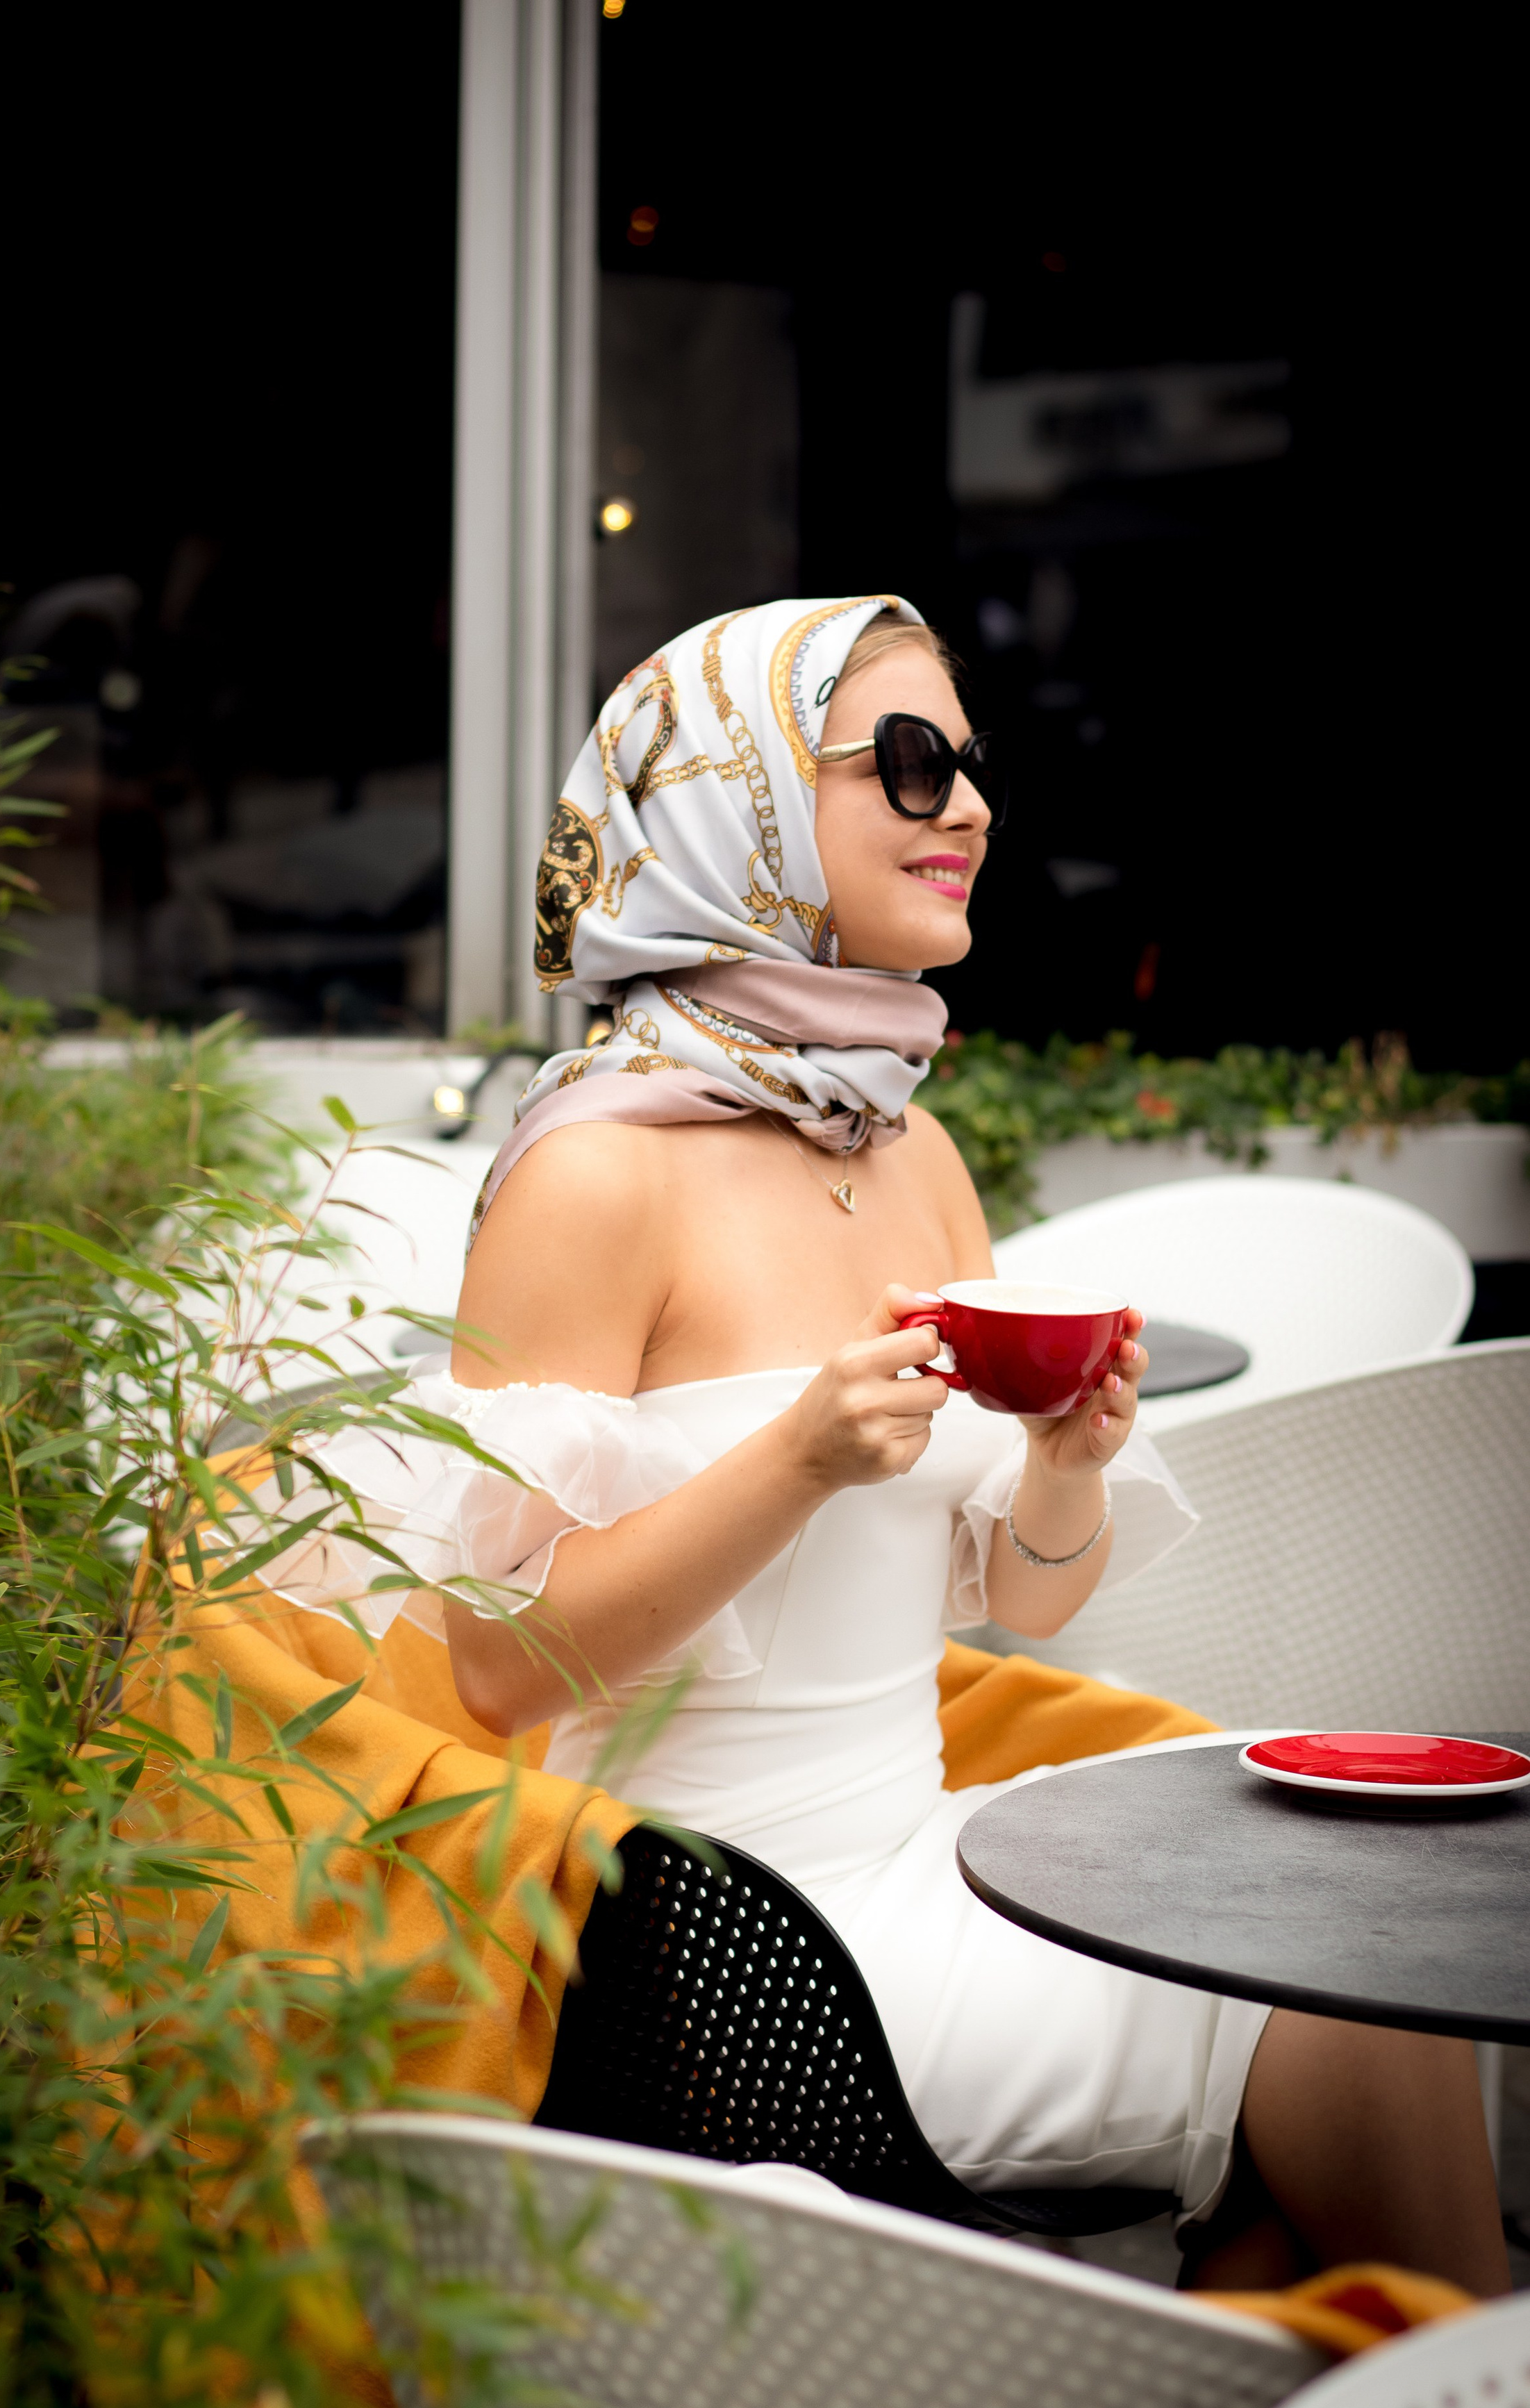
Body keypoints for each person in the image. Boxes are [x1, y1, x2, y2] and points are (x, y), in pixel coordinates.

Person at [255, 597, 1507, 2296]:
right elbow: (490, 1670)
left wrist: (1064, 1463)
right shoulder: (590, 1177)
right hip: (727, 1948)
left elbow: (1030, 1608)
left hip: (924, 1855)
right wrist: (796, 1459)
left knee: (1345, 1922)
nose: (970, 808)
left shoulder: (906, 1147)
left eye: (971, 766)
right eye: (909, 766)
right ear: (739, 805)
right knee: (1335, 1993)